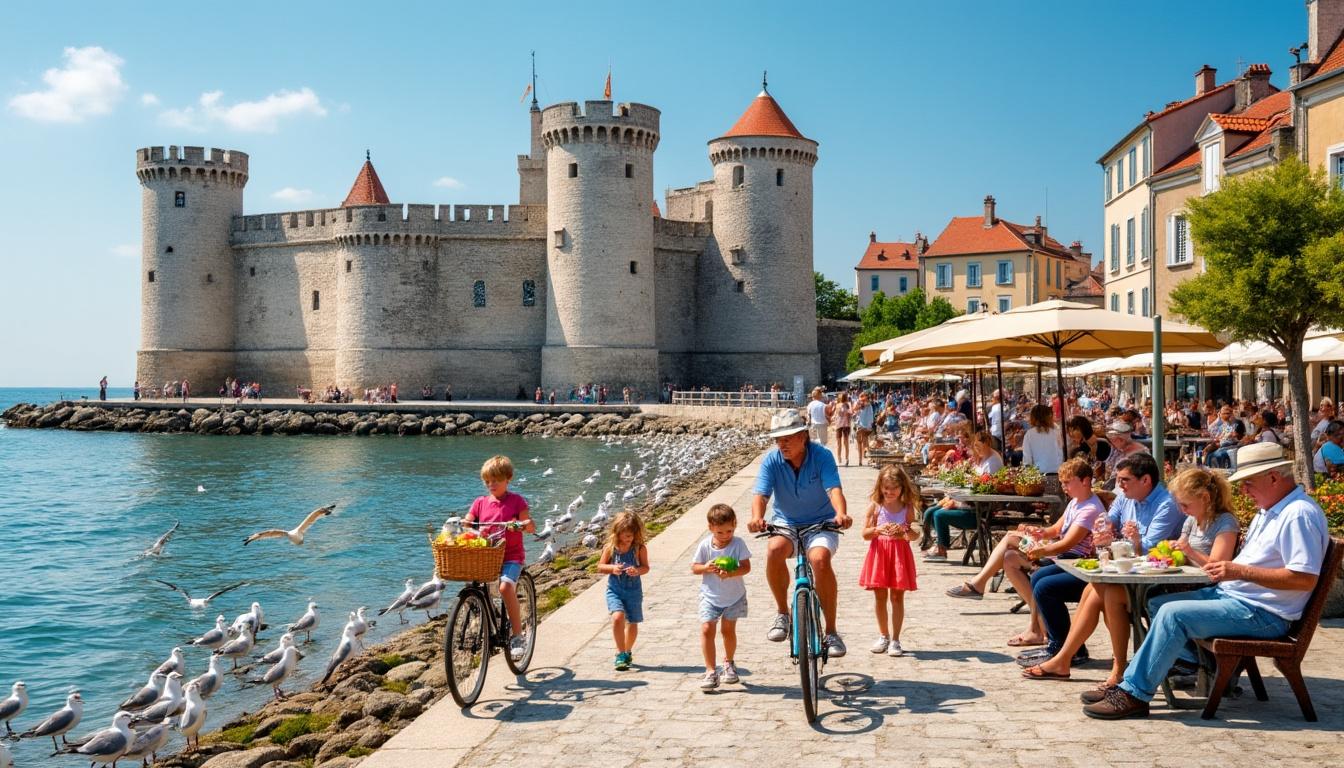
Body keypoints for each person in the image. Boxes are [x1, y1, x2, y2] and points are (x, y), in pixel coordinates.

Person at [1083, 442, 1331, 719]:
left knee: (1171, 613)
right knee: (1157, 602)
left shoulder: (1298, 514)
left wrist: (1238, 571)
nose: (1244, 490)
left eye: (1248, 483)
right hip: (1240, 599)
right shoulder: (1273, 510)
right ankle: (1142, 677)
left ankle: (1133, 693)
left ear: (1273, 477)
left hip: (1264, 612)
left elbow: (1304, 579)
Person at [1022, 466, 1238, 685]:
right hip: (1177, 583)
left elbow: (1219, 567)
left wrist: (1188, 552)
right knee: (1097, 588)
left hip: (1196, 590)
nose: (1181, 511)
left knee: (1107, 594)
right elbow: (1178, 555)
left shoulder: (1224, 522)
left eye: (1185, 504)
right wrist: (1161, 552)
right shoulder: (1193, 520)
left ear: (1205, 498)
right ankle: (1075, 659)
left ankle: (1100, 665)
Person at [1021, 453, 1184, 671]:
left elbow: (1146, 548)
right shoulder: (1126, 498)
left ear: (1145, 480)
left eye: (1124, 480)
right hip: (1123, 571)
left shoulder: (1166, 504)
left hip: (1152, 581)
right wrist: (1103, 529)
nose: (1119, 485)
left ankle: (1070, 654)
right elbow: (1108, 521)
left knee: (1056, 587)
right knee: (1051, 580)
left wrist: (1116, 539)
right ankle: (1065, 653)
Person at [950, 459, 1101, 648]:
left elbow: (1066, 544)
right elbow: (1055, 529)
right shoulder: (1076, 503)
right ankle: (1036, 625)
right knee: (1010, 557)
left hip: (1069, 559)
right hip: (1057, 553)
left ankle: (980, 585)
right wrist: (1038, 532)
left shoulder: (1090, 509)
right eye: (1062, 482)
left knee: (1012, 542)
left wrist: (1040, 549)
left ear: (1085, 481)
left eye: (1067, 482)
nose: (1064, 487)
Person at [749, 409, 852, 656]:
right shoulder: (771, 461)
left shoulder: (822, 456)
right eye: (778, 439)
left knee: (820, 559)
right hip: (786, 523)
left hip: (821, 522)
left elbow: (833, 489)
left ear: (803, 436)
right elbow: (761, 495)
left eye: (787, 438)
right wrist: (756, 518)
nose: (781, 444)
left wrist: (841, 513)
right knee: (773, 550)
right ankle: (782, 614)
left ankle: (831, 632)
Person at [464, 455, 536, 661]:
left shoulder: (516, 501)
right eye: (487, 481)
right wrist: (466, 524)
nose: (491, 484)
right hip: (487, 556)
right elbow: (468, 522)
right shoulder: (480, 503)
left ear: (508, 479)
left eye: (495, 480)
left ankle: (517, 636)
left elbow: (530, 526)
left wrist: (522, 524)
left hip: (511, 556)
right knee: (472, 584)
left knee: (505, 587)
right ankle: (489, 618)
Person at [859, 465, 921, 656]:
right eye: (886, 488)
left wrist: (903, 531)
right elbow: (865, 534)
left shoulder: (907, 508)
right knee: (879, 596)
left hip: (899, 555)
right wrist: (878, 530)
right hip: (879, 554)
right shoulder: (875, 507)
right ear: (880, 487)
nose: (889, 492)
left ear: (902, 488)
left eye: (894, 488)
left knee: (896, 597)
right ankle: (883, 635)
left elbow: (915, 535)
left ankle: (895, 639)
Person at [691, 503, 753, 690]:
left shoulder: (738, 543)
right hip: (710, 596)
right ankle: (710, 670)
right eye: (720, 532)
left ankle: (729, 662)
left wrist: (731, 573)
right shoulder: (704, 545)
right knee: (707, 628)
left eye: (729, 531)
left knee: (728, 631)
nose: (725, 536)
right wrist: (706, 567)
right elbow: (694, 567)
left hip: (734, 596)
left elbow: (746, 567)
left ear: (735, 524)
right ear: (710, 528)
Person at [924, 431, 1003, 562]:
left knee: (938, 514)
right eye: (975, 446)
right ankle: (938, 543)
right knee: (930, 511)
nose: (977, 449)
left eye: (979, 446)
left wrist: (958, 503)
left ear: (987, 444)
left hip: (978, 512)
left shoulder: (993, 461)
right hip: (969, 504)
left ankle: (942, 549)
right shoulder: (983, 458)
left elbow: (983, 490)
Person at [599, 511, 650, 671]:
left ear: (636, 533)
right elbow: (600, 566)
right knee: (617, 617)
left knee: (633, 622)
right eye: (624, 535)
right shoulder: (610, 548)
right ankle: (620, 653)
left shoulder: (639, 548)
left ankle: (627, 651)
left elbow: (646, 567)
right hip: (615, 589)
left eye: (630, 536)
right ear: (617, 533)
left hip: (634, 591)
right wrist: (613, 568)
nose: (627, 539)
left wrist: (637, 570)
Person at [1021, 404, 1063, 475]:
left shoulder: (1029, 434)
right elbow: (1060, 455)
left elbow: (1027, 459)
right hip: (1056, 473)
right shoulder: (1056, 433)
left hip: (1038, 475)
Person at [852, 392, 876, 466]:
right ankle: (861, 459)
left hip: (864, 425)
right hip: (860, 424)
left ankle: (864, 458)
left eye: (862, 397)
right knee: (861, 442)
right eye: (861, 397)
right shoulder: (861, 404)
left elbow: (871, 415)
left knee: (864, 442)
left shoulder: (869, 405)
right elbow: (854, 409)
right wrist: (859, 403)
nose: (861, 399)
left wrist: (870, 425)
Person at [832, 391, 853, 467]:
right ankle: (845, 459)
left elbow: (835, 414)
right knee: (844, 443)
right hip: (845, 425)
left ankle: (840, 458)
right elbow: (851, 413)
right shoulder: (846, 405)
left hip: (840, 425)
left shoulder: (838, 405)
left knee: (840, 443)